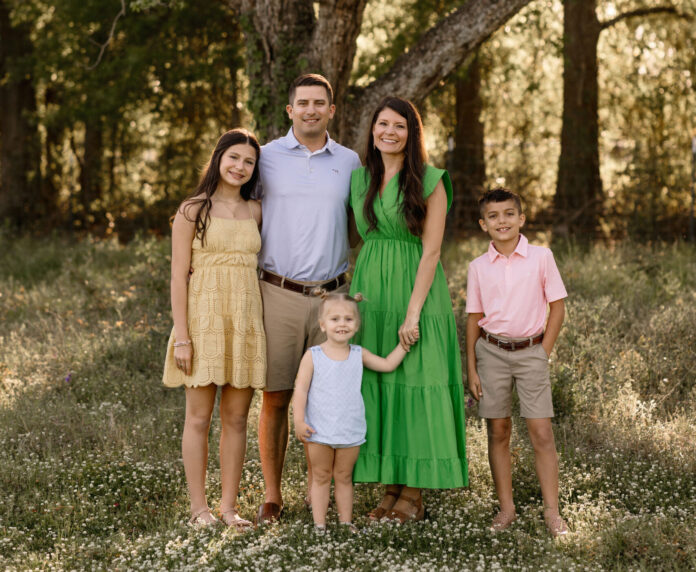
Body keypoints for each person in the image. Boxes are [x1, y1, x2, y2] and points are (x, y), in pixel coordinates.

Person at [349, 96, 468, 522]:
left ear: (412, 133)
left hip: (417, 290)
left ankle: (413, 493)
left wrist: (413, 312)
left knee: (417, 380)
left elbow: (432, 250)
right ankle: (389, 488)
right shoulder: (360, 179)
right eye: (382, 124)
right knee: (378, 387)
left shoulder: (431, 180)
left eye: (399, 126)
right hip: (372, 294)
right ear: (372, 130)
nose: (389, 132)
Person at [254, 73, 362, 525]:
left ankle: (321, 488)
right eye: (304, 103)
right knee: (277, 396)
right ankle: (273, 496)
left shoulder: (352, 161)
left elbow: (361, 225)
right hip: (277, 290)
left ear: (332, 110)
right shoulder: (264, 158)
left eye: (320, 103)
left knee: (331, 395)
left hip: (333, 296)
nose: (312, 110)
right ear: (290, 110)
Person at [162, 128, 266, 529]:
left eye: (249, 162)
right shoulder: (193, 209)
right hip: (203, 321)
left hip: (244, 321)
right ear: (219, 157)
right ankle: (198, 509)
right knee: (198, 419)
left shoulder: (256, 211)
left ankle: (227, 508)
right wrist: (182, 337)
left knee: (237, 419)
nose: (240, 167)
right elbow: (177, 277)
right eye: (234, 158)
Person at [465, 188, 569, 537]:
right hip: (491, 352)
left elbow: (557, 306)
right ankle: (506, 508)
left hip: (531, 353)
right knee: (499, 430)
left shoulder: (541, 257)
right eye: (493, 216)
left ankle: (552, 511)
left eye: (509, 214)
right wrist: (472, 367)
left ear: (522, 218)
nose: (502, 221)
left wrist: (543, 351)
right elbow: (473, 318)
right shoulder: (477, 267)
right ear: (483, 224)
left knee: (541, 431)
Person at [292, 291, 408, 531]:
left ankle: (346, 522)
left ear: (356, 324)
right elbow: (300, 390)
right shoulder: (313, 356)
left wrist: (404, 346)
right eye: (335, 319)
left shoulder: (358, 354)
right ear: (323, 325)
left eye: (348, 319)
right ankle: (319, 524)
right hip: (318, 431)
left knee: (344, 478)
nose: (341, 324)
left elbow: (387, 365)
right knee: (322, 477)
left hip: (349, 430)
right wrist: (299, 421)